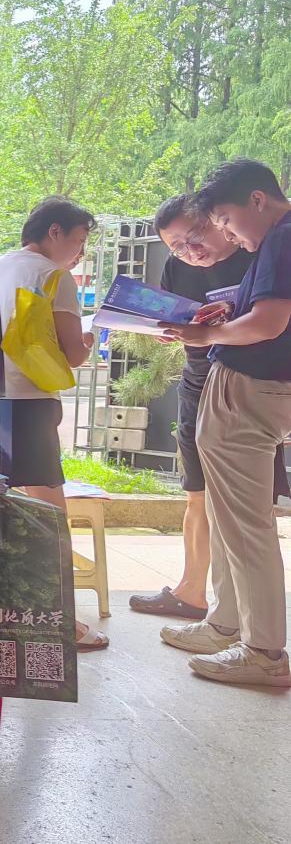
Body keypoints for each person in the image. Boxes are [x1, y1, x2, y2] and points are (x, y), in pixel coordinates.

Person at [160, 159, 291, 687]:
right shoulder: (274, 241)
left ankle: (262, 649)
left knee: (244, 523)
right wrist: (224, 315)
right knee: (231, 515)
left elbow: (269, 322)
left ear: (257, 200)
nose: (228, 235)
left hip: (249, 389)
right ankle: (227, 623)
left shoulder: (281, 237)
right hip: (257, 387)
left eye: (225, 221)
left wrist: (206, 336)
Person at [130, 194, 288, 620]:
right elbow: (176, 321)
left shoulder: (260, 252)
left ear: (218, 221)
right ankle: (195, 593)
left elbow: (269, 322)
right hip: (199, 382)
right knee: (197, 492)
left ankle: (244, 622)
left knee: (248, 506)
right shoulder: (178, 268)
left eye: (196, 235)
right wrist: (169, 330)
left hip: (251, 384)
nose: (190, 251)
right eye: (177, 247)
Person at [0, 196, 108, 651]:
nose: (79, 252)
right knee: (48, 519)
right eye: (78, 240)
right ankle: (58, 621)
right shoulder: (55, 277)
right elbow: (72, 353)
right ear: (54, 232)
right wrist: (89, 339)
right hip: (30, 404)